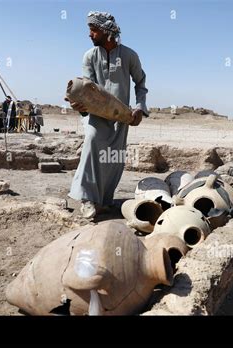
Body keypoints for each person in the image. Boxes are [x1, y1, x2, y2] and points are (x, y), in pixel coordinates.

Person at [66, 11, 148, 218]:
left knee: (113, 159)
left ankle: (102, 201)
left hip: (121, 117)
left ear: (106, 32)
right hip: (96, 115)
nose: (90, 34)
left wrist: (139, 107)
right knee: (92, 142)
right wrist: (80, 104)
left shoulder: (129, 55)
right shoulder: (89, 56)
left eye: (93, 30)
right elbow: (87, 87)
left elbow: (140, 83)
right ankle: (86, 199)